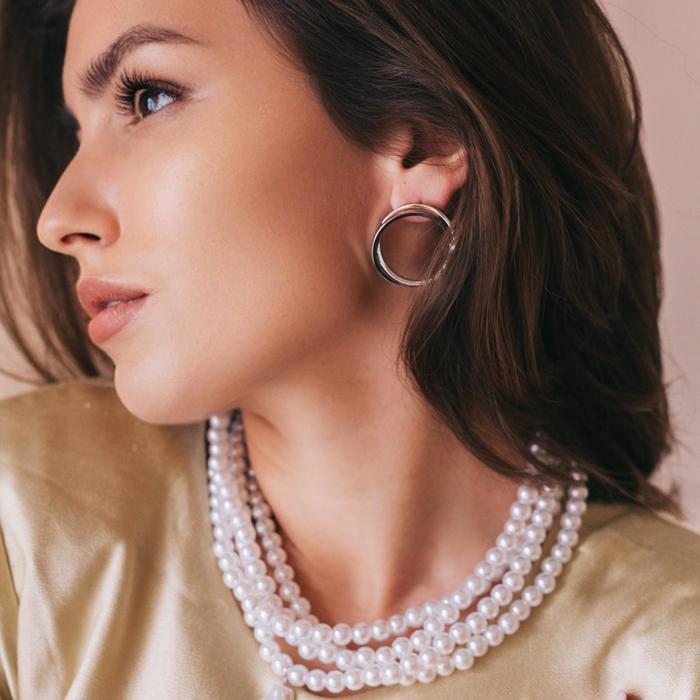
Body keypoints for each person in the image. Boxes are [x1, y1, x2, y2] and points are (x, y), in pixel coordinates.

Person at [0, 0, 698, 698]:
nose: (58, 219)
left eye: (148, 98)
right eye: (75, 131)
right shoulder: (28, 535)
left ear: (422, 142)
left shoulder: (667, 654)